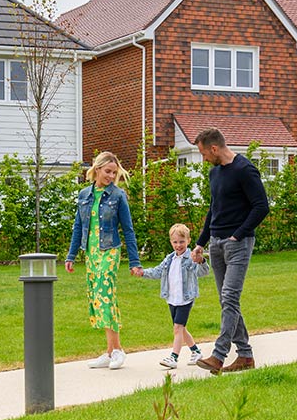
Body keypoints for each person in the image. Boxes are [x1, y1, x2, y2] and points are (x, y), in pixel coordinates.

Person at [190, 127, 270, 374]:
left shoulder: (244, 170)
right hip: (216, 244)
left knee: (230, 298)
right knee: (227, 301)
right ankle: (245, 356)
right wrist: (201, 242)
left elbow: (261, 206)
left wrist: (239, 234)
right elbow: (213, 210)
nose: (203, 159)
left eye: (204, 153)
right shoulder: (215, 174)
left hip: (238, 244)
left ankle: (218, 355)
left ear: (214, 148)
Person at [65, 151, 143, 370]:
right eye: (108, 171)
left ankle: (118, 350)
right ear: (97, 169)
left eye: (114, 173)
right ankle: (109, 352)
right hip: (91, 253)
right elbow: (78, 227)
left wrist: (135, 261)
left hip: (109, 251)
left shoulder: (118, 196)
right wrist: (71, 255)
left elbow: (128, 230)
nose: (111, 176)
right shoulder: (84, 195)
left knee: (105, 295)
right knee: (97, 298)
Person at [136, 222, 210, 368]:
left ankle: (174, 358)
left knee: (177, 328)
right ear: (171, 242)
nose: (178, 245)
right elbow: (158, 271)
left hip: (186, 298)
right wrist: (142, 272)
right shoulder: (169, 259)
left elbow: (203, 272)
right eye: (175, 242)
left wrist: (201, 261)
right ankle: (196, 351)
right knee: (181, 328)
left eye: (182, 242)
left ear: (188, 241)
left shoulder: (191, 257)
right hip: (172, 298)